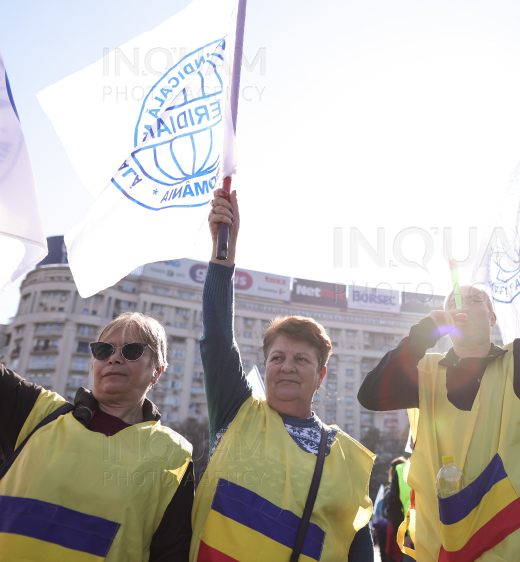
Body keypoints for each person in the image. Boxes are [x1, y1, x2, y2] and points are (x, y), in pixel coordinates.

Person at [358, 216, 520, 562]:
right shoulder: (426, 373)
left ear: (492, 317)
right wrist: (427, 329)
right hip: (451, 550)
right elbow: (369, 395)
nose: (461, 303)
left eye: (476, 300)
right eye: (452, 303)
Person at [192, 188, 375, 561]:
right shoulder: (235, 411)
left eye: (301, 360)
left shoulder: (349, 460)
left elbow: (358, 551)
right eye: (277, 357)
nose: (287, 366)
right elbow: (217, 337)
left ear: (321, 376)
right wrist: (223, 251)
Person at [0, 312, 194, 560]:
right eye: (104, 350)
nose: (114, 358)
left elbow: (172, 553)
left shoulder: (175, 455)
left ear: (158, 370)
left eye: (132, 351)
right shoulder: (38, 413)